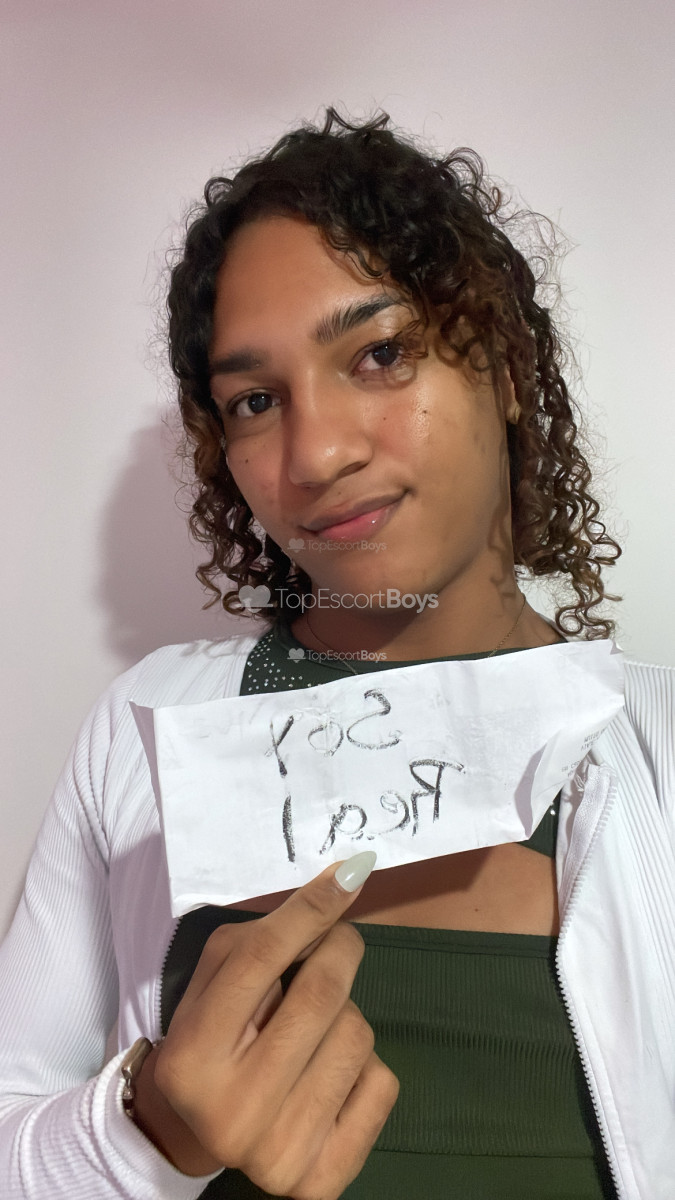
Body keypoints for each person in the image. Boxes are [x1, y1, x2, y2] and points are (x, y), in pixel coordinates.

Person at [0, 109, 672, 1200]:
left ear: (504, 367)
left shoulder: (655, 746)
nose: (314, 454)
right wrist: (144, 1131)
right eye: (256, 401)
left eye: (380, 353)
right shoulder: (145, 732)